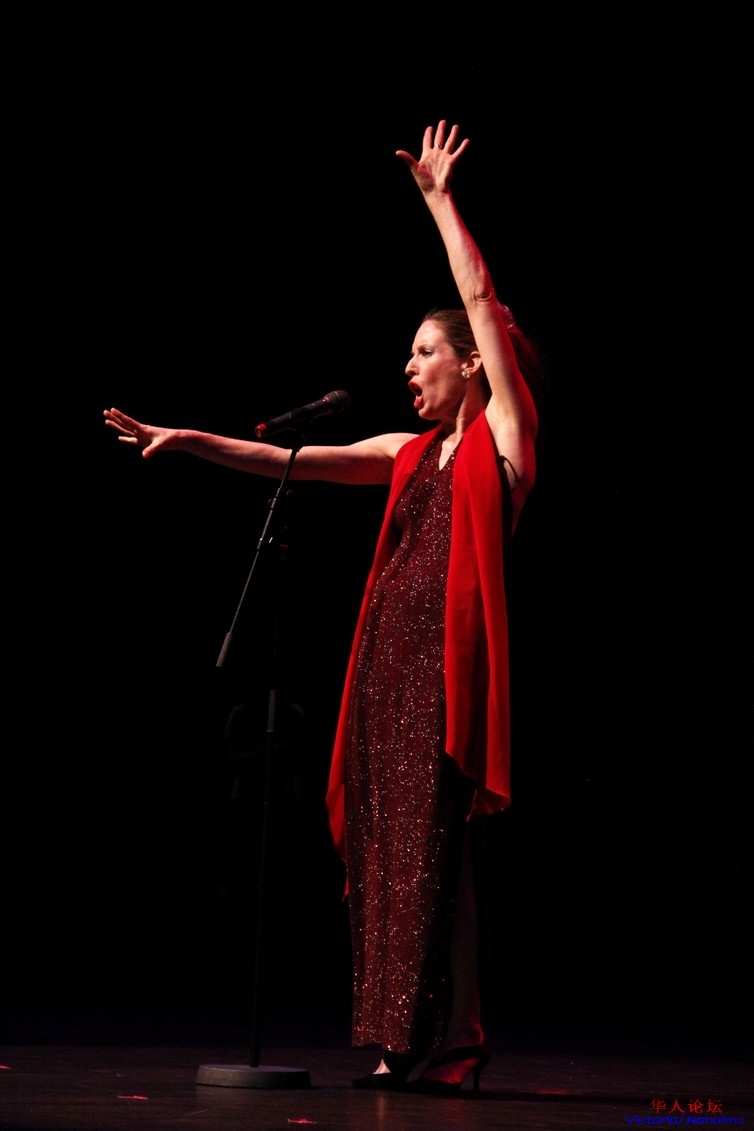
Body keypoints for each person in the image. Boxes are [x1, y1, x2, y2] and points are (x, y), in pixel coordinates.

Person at [104, 120, 541, 1093]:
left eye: (424, 353)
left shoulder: (504, 441)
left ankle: (435, 1039)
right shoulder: (406, 452)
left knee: (433, 855)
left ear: (473, 363)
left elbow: (478, 299)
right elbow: (286, 461)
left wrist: (439, 201)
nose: (408, 368)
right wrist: (186, 438)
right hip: (384, 670)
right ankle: (430, 1036)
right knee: (392, 854)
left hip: (446, 682)